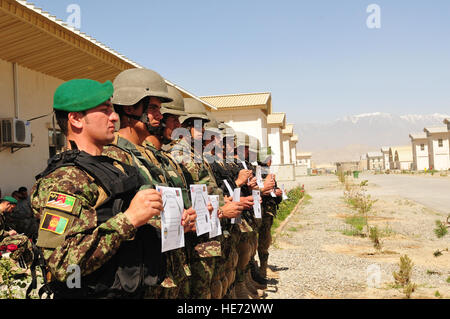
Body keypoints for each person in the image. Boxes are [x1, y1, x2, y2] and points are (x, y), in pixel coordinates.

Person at [30, 79, 164, 299]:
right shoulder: (63, 181)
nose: (114, 117)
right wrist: (128, 220)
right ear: (76, 119)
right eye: (104, 110)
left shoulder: (115, 167)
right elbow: (63, 264)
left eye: (112, 109)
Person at [103, 69, 196, 299]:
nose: (159, 115)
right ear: (130, 107)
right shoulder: (113, 156)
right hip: (140, 272)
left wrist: (185, 215)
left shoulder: (149, 155)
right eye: (153, 107)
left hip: (165, 263)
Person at [169, 98, 243, 299]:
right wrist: (221, 210)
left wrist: (223, 203)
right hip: (197, 234)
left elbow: (208, 190)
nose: (204, 133)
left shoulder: (196, 155)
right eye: (199, 127)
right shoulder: (181, 154)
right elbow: (192, 196)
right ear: (186, 127)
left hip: (209, 227)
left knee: (215, 281)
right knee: (201, 290)